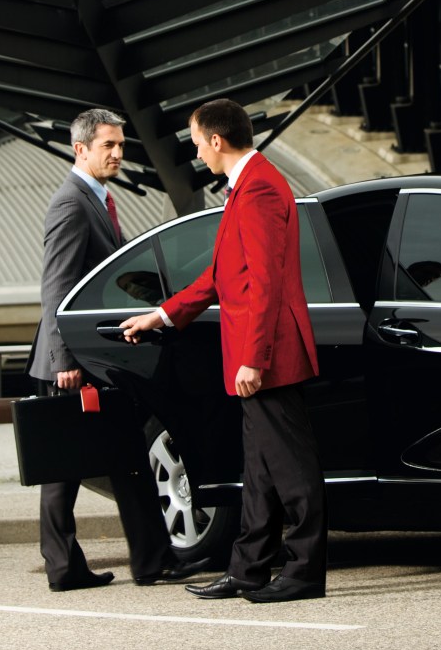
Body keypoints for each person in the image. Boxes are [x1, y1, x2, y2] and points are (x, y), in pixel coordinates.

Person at [120, 98, 327, 604]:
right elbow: (219, 276)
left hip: (268, 357)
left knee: (291, 470)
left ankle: (304, 573)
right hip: (257, 355)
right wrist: (161, 315)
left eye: (197, 142)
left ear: (217, 140)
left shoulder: (258, 189)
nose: (196, 152)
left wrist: (254, 358)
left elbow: (265, 283)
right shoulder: (247, 186)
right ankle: (248, 570)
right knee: (259, 473)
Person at [27, 108, 210, 591]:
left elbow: (120, 271)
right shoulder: (71, 204)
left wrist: (166, 300)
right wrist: (65, 360)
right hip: (73, 360)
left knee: (124, 456)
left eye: (121, 145)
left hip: (97, 356)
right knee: (63, 471)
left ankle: (148, 561)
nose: (118, 154)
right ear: (80, 149)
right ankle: (72, 567)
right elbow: (56, 287)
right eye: (107, 145)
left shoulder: (98, 198)